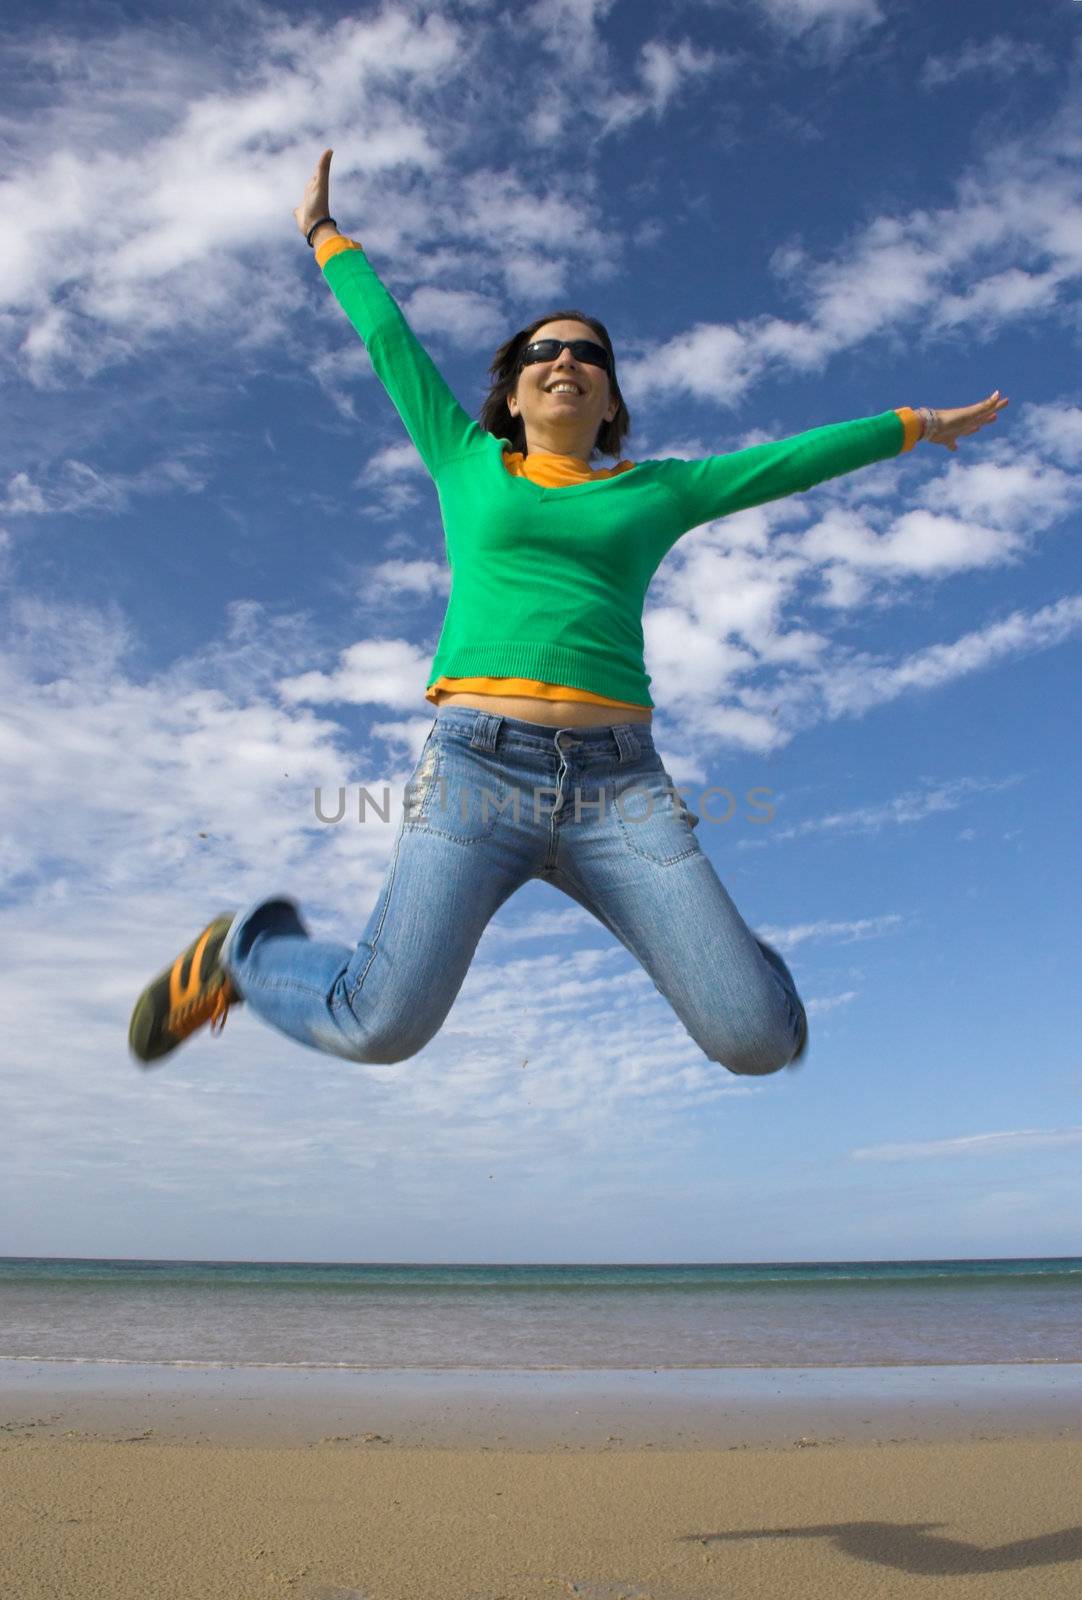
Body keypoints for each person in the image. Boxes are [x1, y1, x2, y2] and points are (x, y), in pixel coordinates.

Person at [128, 150, 1008, 1075]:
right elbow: (390, 340)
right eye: (544, 351)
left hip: (618, 788)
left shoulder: (657, 491)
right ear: (512, 393)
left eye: (589, 354)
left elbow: (789, 460)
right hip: (477, 767)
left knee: (757, 1038)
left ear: (611, 397)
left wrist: (916, 424)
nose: (567, 361)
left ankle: (735, 968)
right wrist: (323, 234)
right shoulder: (466, 461)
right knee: (378, 1025)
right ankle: (244, 951)